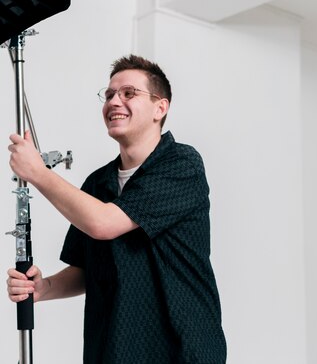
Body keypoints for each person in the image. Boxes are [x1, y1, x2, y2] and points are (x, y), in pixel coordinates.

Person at [6, 55, 227, 363]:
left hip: (179, 351)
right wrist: (44, 288)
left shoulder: (181, 164)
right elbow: (87, 271)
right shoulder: (98, 184)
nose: (114, 102)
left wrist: (39, 173)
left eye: (128, 93)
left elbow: (105, 223)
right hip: (113, 351)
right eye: (109, 95)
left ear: (160, 108)